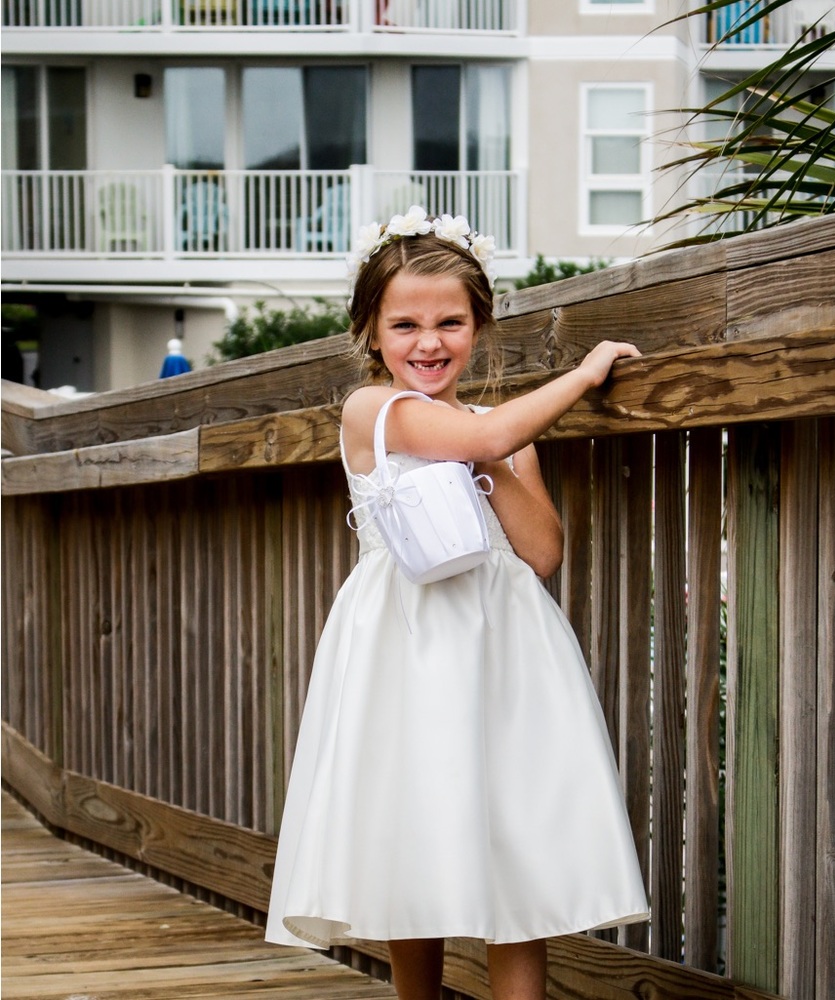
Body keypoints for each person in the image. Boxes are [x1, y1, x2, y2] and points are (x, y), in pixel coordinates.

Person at [265, 207, 649, 1000]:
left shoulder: (499, 435)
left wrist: (496, 456)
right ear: (372, 333)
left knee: (518, 844)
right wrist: (580, 377)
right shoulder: (371, 410)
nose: (428, 342)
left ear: (480, 326)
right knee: (418, 830)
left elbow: (542, 551)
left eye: (450, 321)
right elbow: (473, 440)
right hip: (409, 651)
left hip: (503, 654)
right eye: (404, 324)